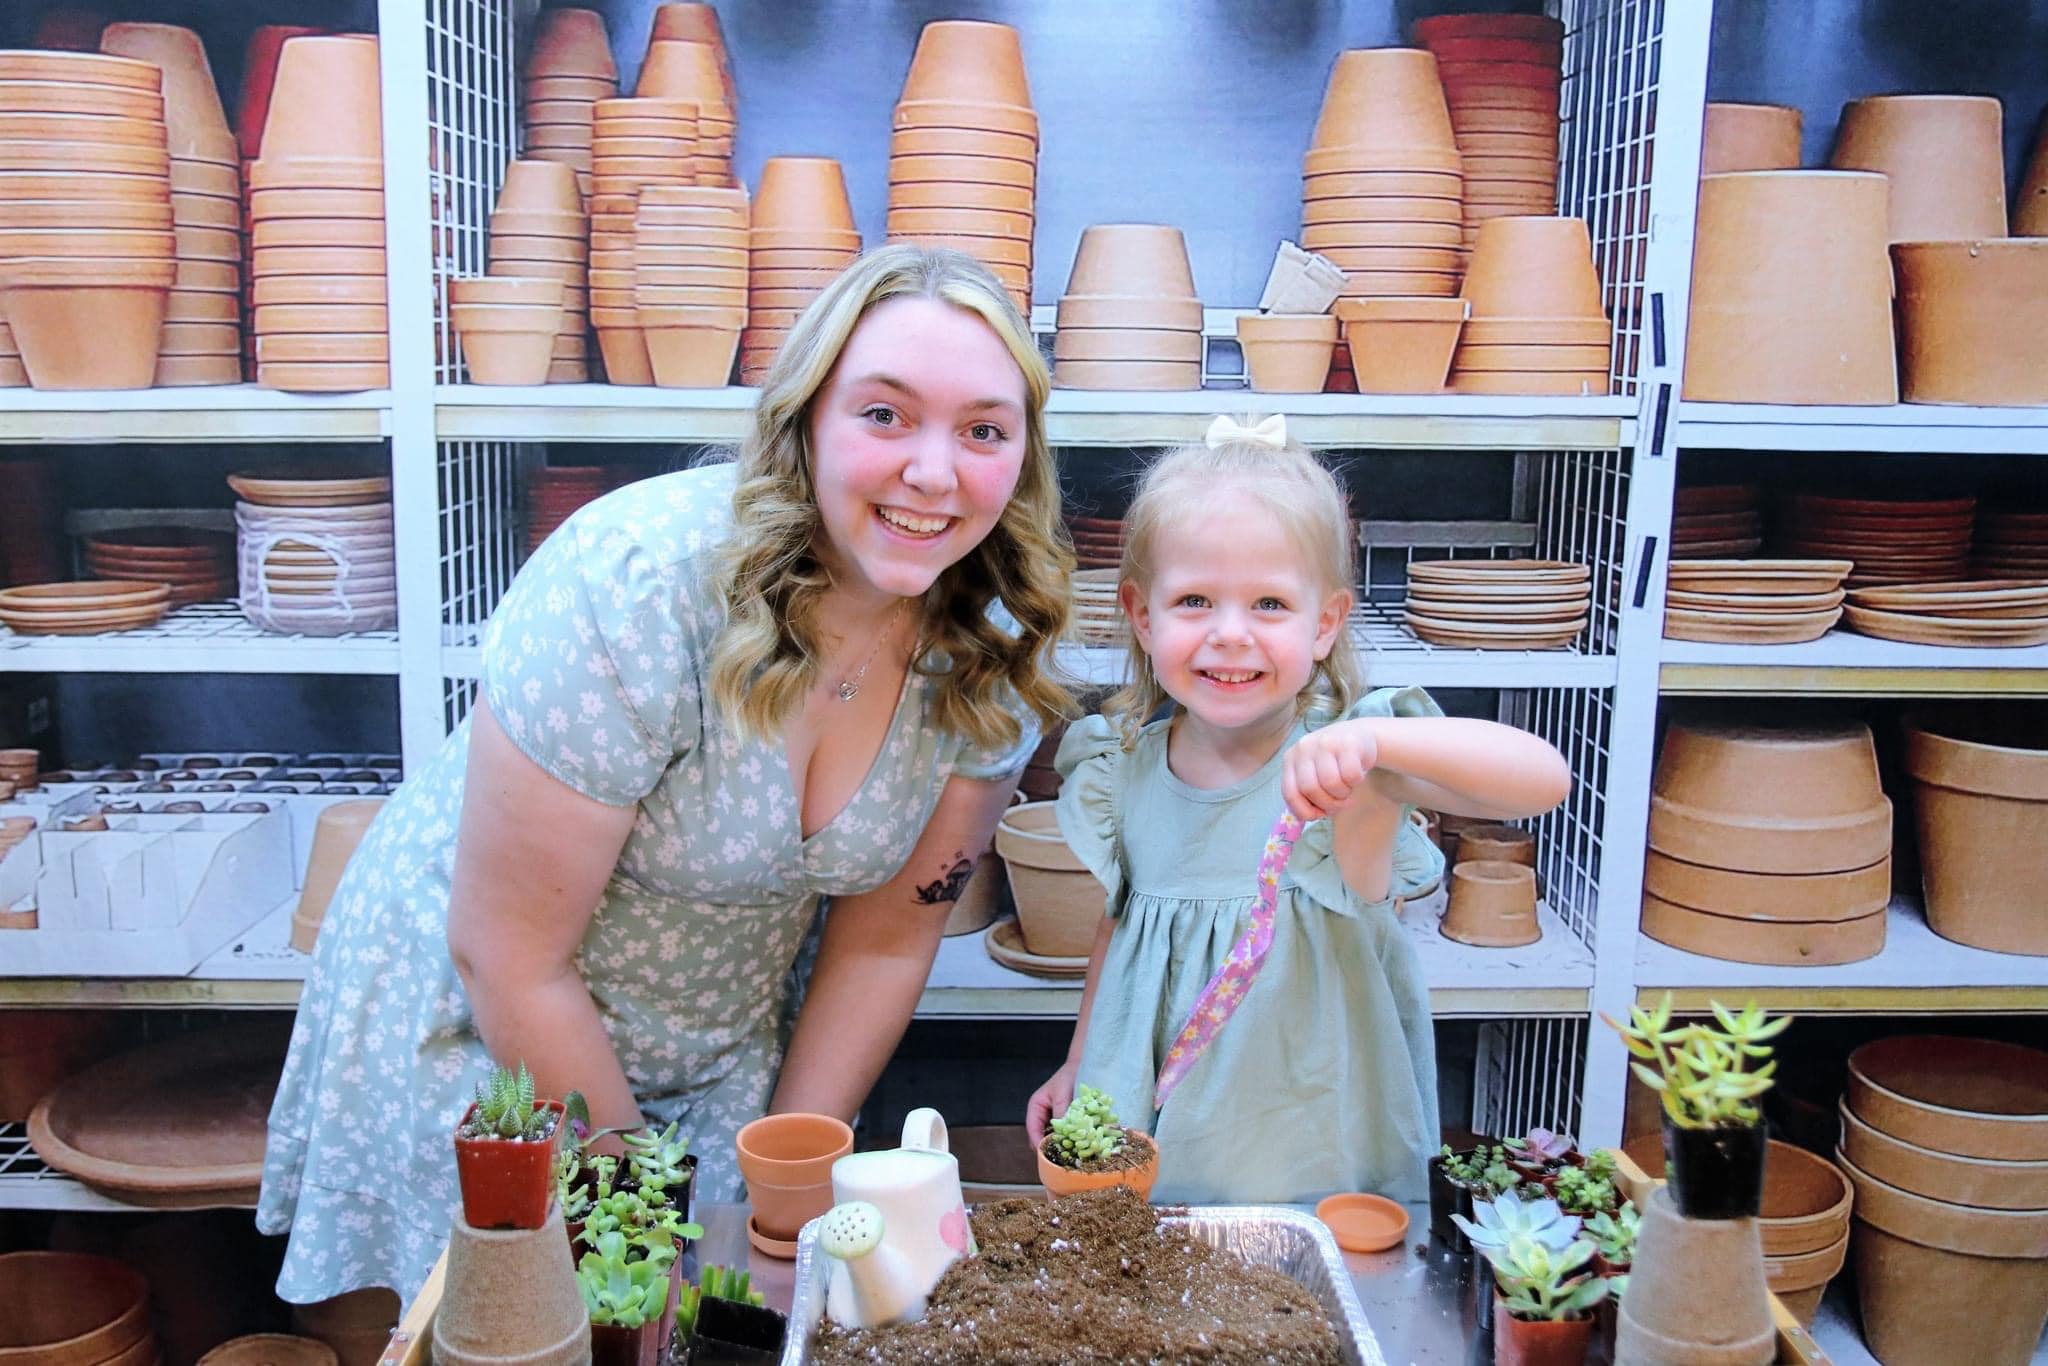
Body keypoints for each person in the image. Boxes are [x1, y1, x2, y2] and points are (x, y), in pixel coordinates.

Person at [258, 244, 1073, 1305]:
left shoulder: (986, 656)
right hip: (488, 1020)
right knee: (548, 1318)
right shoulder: (638, 586)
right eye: (883, 415)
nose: (933, 471)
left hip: (715, 1025)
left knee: (718, 1308)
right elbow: (508, 954)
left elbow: (885, 942)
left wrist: (783, 1186)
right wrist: (636, 1232)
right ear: (805, 421)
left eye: (982, 430)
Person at [1024, 414, 1571, 1205]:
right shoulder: (1119, 771)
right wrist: (1080, 1061)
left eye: (1271, 604)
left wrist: (1381, 745)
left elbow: (1544, 780)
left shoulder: (1353, 778)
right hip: (1157, 1121)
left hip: (1312, 1136)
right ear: (1143, 616)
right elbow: (1121, 925)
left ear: (1326, 624)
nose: (1231, 635)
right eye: (1195, 600)